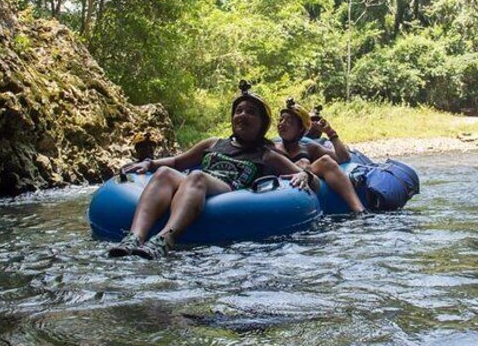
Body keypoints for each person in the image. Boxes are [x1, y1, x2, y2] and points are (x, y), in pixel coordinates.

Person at [108, 81, 319, 259]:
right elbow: (176, 162)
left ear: (262, 124)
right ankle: (134, 237)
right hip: (196, 184)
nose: (242, 115)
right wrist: (150, 164)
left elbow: (311, 180)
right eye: (239, 111)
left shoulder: (267, 154)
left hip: (227, 190)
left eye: (251, 113)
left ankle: (165, 239)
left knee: (196, 176)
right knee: (164, 173)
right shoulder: (213, 143)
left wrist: (305, 174)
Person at [274, 98, 365, 213]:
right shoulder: (270, 147)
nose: (282, 124)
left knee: (325, 161)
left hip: (310, 177)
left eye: (289, 122)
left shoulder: (308, 147)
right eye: (281, 120)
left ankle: (360, 211)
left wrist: (330, 132)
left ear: (300, 129)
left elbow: (343, 158)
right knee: (302, 163)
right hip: (282, 186)